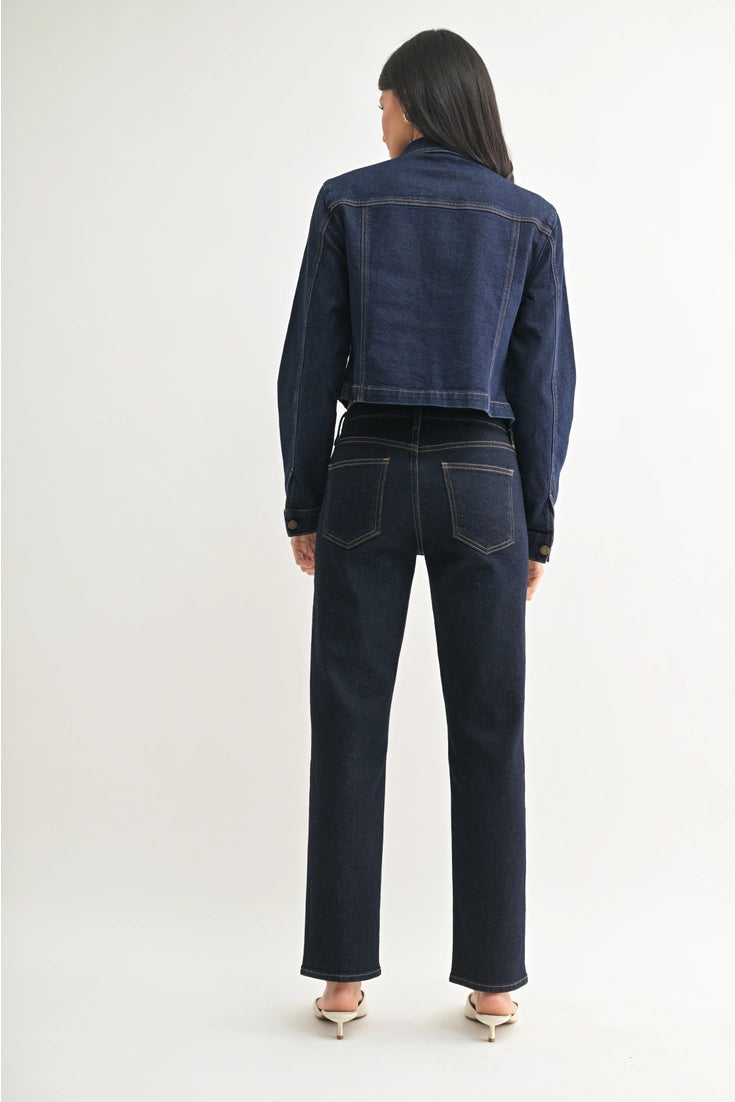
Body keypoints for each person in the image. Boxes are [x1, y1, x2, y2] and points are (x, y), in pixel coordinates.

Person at [277, 28, 575, 1041]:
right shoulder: (528, 219)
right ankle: (493, 984)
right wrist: (535, 523)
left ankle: (341, 981)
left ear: (415, 102)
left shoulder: (346, 201)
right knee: (489, 724)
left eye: (384, 104)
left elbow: (307, 363)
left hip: (364, 472)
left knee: (348, 719)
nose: (380, 123)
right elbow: (544, 384)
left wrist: (305, 501)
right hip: (483, 483)